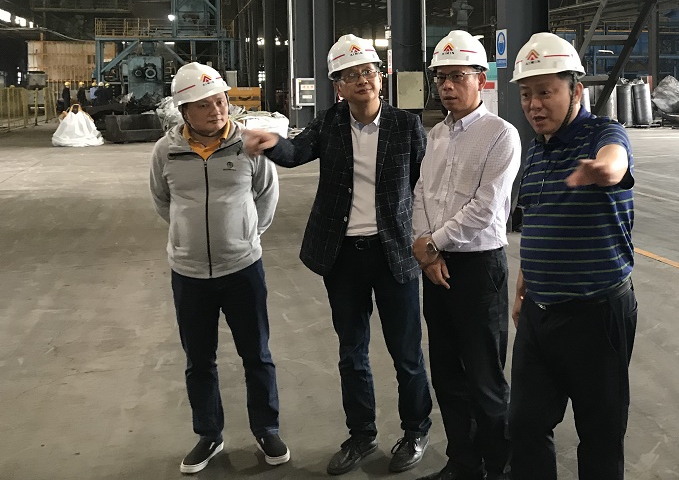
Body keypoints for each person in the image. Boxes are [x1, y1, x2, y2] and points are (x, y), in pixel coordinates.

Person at [242, 34, 433, 476]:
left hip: (394, 254)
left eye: (368, 71)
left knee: (406, 353)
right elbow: (296, 152)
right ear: (338, 86)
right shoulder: (328, 124)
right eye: (351, 75)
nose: (362, 80)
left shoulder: (406, 126)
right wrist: (271, 142)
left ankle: (415, 431)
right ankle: (362, 435)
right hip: (343, 257)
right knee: (352, 352)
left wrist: (428, 239)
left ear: (380, 77)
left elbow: (424, 186)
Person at [507, 32, 638, 480]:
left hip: (595, 315)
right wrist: (525, 281)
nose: (534, 105)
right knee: (524, 424)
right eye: (526, 94)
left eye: (546, 92)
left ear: (576, 91)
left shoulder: (604, 133)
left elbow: (615, 161)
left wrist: (605, 170)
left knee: (600, 433)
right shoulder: (536, 149)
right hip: (540, 314)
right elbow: (536, 217)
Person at [148, 62, 288, 474]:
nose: (216, 110)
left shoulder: (249, 145)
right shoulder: (166, 151)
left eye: (220, 101)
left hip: (242, 269)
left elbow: (266, 195)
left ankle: (266, 428)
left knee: (256, 354)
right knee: (199, 360)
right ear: (184, 111)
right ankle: (209, 434)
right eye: (204, 104)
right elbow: (162, 201)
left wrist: (244, 236)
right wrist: (186, 237)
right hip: (189, 274)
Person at [411, 31, 521, 480]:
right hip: (436, 267)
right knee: (447, 375)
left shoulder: (501, 135)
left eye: (457, 76)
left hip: (479, 269)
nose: (447, 86)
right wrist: (425, 248)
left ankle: (499, 466)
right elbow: (421, 193)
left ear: (481, 79)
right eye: (441, 77)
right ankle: (463, 462)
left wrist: (433, 243)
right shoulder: (435, 134)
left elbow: (486, 207)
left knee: (485, 378)